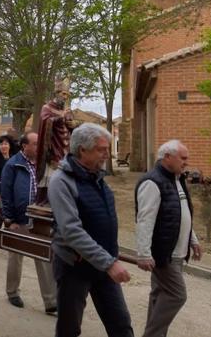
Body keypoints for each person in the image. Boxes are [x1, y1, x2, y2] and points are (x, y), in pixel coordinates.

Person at [48, 123, 133, 337]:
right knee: (69, 328)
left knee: (121, 326)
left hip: (103, 265)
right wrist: (110, 262)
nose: (106, 155)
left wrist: (108, 259)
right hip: (74, 266)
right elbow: (71, 230)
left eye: (106, 149)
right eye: (101, 149)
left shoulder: (97, 177)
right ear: (82, 150)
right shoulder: (61, 182)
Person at [135, 140, 202, 337]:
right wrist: (144, 253)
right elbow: (145, 220)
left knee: (159, 295)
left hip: (178, 252)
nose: (186, 162)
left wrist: (193, 240)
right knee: (177, 295)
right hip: (164, 253)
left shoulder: (177, 180)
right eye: (183, 158)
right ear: (167, 158)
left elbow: (181, 215)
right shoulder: (152, 182)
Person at [0, 131, 57, 314]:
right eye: (35, 143)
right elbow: (6, 194)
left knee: (44, 258)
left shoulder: (43, 164)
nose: (39, 146)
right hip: (19, 219)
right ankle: (12, 292)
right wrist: (9, 220)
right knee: (15, 258)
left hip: (39, 220)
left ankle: (51, 302)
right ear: (25, 146)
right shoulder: (13, 164)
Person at [36, 78, 75, 205]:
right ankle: (46, 201)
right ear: (57, 94)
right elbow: (46, 122)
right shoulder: (46, 108)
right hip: (52, 148)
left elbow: (71, 127)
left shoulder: (67, 110)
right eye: (63, 94)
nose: (65, 97)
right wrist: (60, 117)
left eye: (67, 95)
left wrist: (73, 124)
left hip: (65, 148)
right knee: (50, 176)